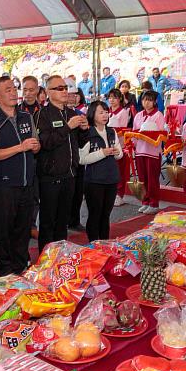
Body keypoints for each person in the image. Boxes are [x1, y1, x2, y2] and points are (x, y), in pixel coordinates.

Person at [0, 76, 40, 275]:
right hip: (4, 185)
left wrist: (34, 146)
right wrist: (20, 147)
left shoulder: (26, 116)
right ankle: (5, 273)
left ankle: (21, 268)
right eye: (8, 90)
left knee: (23, 230)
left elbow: (36, 145)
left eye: (14, 88)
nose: (14, 92)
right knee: (4, 232)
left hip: (27, 183)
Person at [35, 75, 88, 252]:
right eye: (59, 88)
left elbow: (79, 143)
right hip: (50, 177)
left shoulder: (72, 113)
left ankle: (60, 258)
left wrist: (84, 130)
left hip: (70, 174)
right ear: (48, 92)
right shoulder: (42, 114)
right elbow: (45, 143)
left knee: (63, 222)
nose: (65, 91)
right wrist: (68, 127)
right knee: (48, 222)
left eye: (65, 87)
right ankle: (45, 260)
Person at [79, 101, 123, 241]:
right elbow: (81, 159)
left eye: (106, 112)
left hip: (111, 179)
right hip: (94, 181)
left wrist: (116, 152)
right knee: (95, 214)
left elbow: (120, 154)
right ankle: (93, 243)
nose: (105, 115)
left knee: (106, 214)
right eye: (101, 112)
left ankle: (104, 243)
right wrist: (102, 153)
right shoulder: (87, 133)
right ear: (92, 114)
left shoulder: (111, 131)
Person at [132, 90, 165, 214]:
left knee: (152, 179)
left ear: (155, 102)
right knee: (142, 178)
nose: (147, 102)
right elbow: (134, 132)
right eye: (144, 99)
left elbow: (161, 134)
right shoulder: (138, 115)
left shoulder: (158, 115)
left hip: (153, 152)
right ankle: (145, 201)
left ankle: (154, 203)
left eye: (150, 100)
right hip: (140, 151)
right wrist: (134, 144)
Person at [107, 88, 131, 207]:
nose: (111, 100)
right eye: (110, 98)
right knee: (110, 170)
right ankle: (111, 193)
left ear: (120, 99)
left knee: (120, 171)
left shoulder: (123, 112)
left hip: (119, 145)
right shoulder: (107, 111)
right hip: (107, 146)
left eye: (114, 97)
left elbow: (122, 128)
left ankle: (119, 194)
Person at [68, 87, 87, 231]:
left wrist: (85, 129)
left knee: (78, 191)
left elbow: (84, 140)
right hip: (61, 161)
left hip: (78, 157)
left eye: (75, 95)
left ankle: (74, 220)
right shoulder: (53, 113)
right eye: (70, 95)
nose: (73, 97)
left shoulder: (80, 114)